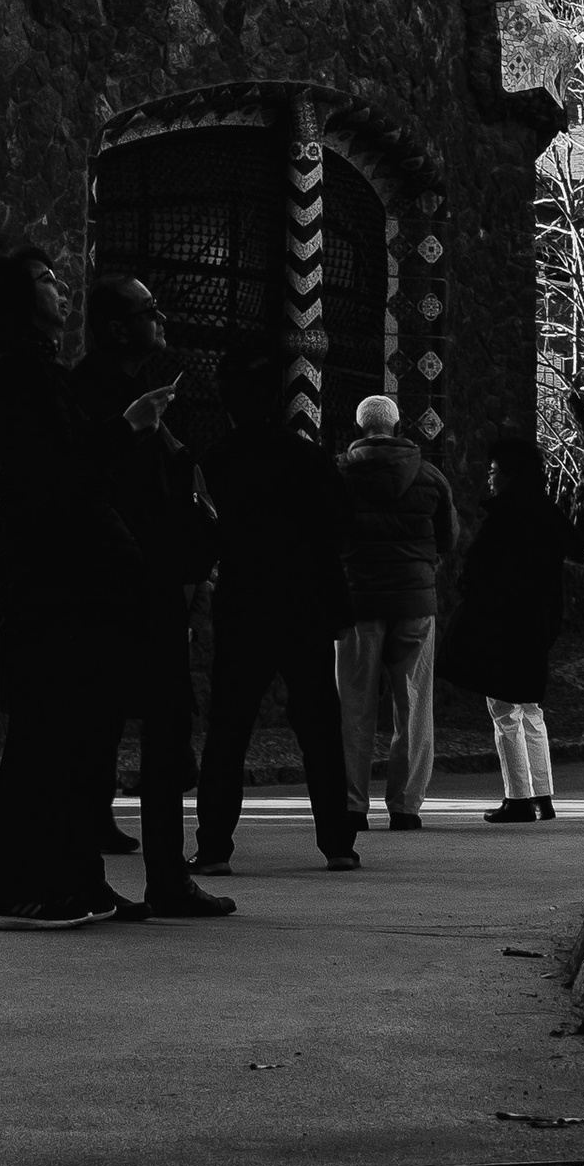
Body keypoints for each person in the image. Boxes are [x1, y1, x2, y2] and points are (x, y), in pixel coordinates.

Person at [0, 246, 131, 929]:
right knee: (42, 735)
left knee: (73, 735)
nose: (60, 287)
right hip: (39, 576)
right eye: (44, 279)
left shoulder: (40, 371)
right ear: (16, 297)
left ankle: (76, 880)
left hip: (61, 575)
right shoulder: (16, 374)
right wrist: (123, 431)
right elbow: (54, 470)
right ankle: (18, 893)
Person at [74, 275, 232, 919]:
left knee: (165, 731)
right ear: (118, 327)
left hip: (157, 584)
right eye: (149, 311)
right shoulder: (95, 394)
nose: (161, 318)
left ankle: (165, 876)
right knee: (108, 726)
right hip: (117, 587)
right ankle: (101, 875)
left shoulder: (148, 399)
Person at [193, 351, 358, 874]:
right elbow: (340, 522)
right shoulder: (306, 458)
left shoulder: (217, 459)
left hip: (245, 603)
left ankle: (215, 846)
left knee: (228, 729)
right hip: (305, 603)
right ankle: (338, 842)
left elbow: (203, 534)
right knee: (319, 726)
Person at [333, 392, 457, 832]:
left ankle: (351, 805)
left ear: (359, 426)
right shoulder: (429, 476)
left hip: (357, 603)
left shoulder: (339, 474)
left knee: (353, 706)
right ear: (398, 424)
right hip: (414, 603)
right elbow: (448, 538)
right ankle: (405, 806)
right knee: (415, 705)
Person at [449, 435, 581, 824]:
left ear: (509, 476)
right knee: (531, 708)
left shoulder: (504, 517)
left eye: (493, 473)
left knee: (504, 709)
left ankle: (518, 797)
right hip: (538, 623)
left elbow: (477, 572)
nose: (489, 480)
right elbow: (576, 547)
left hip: (504, 623)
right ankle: (543, 794)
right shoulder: (547, 512)